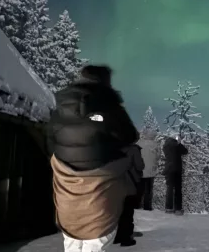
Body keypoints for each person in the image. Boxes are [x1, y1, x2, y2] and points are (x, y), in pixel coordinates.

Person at [47, 65, 140, 252]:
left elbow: (50, 141)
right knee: (96, 239)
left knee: (72, 242)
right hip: (102, 186)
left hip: (66, 187)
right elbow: (130, 135)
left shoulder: (61, 108)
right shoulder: (109, 106)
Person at [114, 144, 145, 247]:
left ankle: (117, 236)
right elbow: (140, 166)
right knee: (128, 212)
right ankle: (126, 238)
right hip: (129, 184)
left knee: (118, 212)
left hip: (114, 185)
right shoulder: (133, 149)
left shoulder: (111, 147)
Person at [162, 136, 188, 215]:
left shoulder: (165, 146)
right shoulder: (177, 145)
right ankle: (178, 209)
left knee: (169, 188)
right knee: (178, 189)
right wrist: (179, 143)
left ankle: (168, 208)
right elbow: (185, 151)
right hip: (177, 168)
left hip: (169, 169)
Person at [137, 130, 161, 211]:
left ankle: (137, 204)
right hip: (150, 171)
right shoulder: (156, 145)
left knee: (139, 188)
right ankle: (147, 206)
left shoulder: (139, 143)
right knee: (148, 190)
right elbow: (158, 156)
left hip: (140, 170)